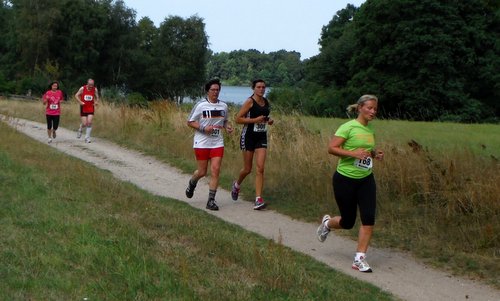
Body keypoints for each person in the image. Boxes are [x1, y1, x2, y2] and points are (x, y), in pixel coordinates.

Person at [316, 94, 384, 273]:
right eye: (369, 108)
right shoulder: (348, 127)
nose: (373, 112)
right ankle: (328, 224)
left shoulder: (370, 130)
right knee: (348, 222)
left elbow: (366, 151)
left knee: (368, 219)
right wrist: (354, 154)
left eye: (375, 109)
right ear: (360, 107)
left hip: (366, 179)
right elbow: (332, 148)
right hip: (345, 179)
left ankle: (359, 259)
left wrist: (375, 154)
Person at [185, 79, 233, 211]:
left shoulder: (223, 106)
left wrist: (228, 127)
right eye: (213, 90)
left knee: (216, 170)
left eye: (218, 90)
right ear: (207, 91)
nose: (216, 92)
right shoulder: (201, 105)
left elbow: (225, 121)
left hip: (217, 142)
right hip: (202, 142)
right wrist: (203, 128)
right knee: (202, 172)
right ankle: (192, 182)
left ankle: (211, 200)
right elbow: (190, 122)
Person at [231, 79, 274, 210]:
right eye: (259, 87)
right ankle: (237, 185)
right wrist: (255, 120)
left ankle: (258, 199)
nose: (261, 89)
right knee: (247, 169)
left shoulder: (266, 102)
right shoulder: (250, 101)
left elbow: (264, 117)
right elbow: (238, 119)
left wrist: (269, 120)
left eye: (263, 87)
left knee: (260, 168)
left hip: (261, 137)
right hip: (248, 136)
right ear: (253, 88)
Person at [74, 78, 99, 143]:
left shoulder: (95, 89)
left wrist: (96, 102)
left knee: (89, 122)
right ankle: (80, 129)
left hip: (91, 107)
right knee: (85, 124)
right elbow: (76, 95)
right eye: (90, 84)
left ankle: (87, 138)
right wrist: (80, 102)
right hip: (83, 107)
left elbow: (97, 97)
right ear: (87, 84)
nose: (91, 86)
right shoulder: (82, 88)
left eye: (92, 85)